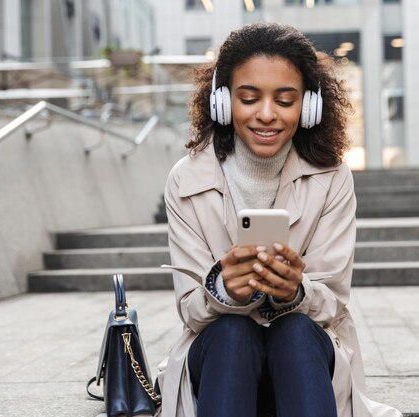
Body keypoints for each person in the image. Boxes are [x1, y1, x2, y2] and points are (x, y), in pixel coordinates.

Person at [157, 22, 402, 417]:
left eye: (285, 101)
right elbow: (190, 310)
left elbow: (333, 303)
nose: (266, 115)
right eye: (249, 98)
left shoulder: (332, 178)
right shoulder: (186, 180)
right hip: (223, 366)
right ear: (222, 101)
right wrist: (224, 290)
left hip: (302, 361)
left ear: (309, 106)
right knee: (232, 333)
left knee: (294, 331)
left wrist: (295, 292)